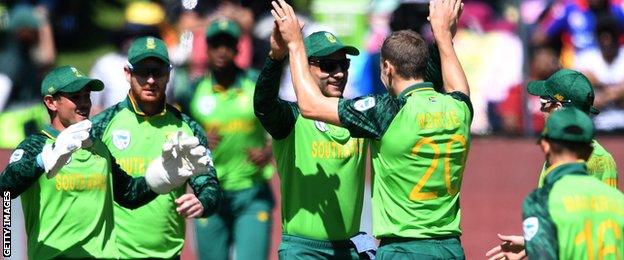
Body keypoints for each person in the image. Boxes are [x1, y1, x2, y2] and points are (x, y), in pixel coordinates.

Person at [271, 0, 470, 258]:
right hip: (451, 248)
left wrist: (295, 45)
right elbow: (456, 84)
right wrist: (443, 36)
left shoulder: (385, 112)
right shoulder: (459, 108)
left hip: (404, 248)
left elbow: (310, 105)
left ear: (387, 68)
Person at [0, 65, 210, 259]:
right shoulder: (35, 145)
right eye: (75, 97)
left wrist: (161, 178)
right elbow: (6, 188)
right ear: (51, 102)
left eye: (87, 96)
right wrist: (43, 159)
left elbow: (128, 193)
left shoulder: (99, 147)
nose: (84, 103)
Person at [90, 36, 222, 259]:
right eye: (142, 71)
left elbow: (209, 184)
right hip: (113, 254)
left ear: (169, 74)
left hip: (167, 255)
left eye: (158, 71)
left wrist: (202, 201)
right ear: (127, 73)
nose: (151, 80)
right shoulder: (102, 126)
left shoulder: (187, 128)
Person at [254, 10, 371, 260]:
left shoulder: (358, 116)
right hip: (303, 250)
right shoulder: (292, 118)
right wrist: (276, 57)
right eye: (329, 65)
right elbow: (264, 105)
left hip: (349, 249)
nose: (339, 73)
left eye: (344, 64)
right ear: (304, 66)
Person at [485, 69, 619, 259]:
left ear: (557, 107)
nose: (540, 110)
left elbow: (603, 231)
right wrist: (532, 244)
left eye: (543, 103)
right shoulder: (571, 154)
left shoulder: (592, 159)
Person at [175, 18, 274, 260]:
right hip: (208, 194)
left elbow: (280, 123)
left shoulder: (256, 83)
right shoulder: (191, 90)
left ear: (238, 48)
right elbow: (176, 134)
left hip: (252, 192)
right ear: (206, 49)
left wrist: (269, 150)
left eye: (228, 45)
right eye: (216, 45)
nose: (222, 51)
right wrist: (197, 138)